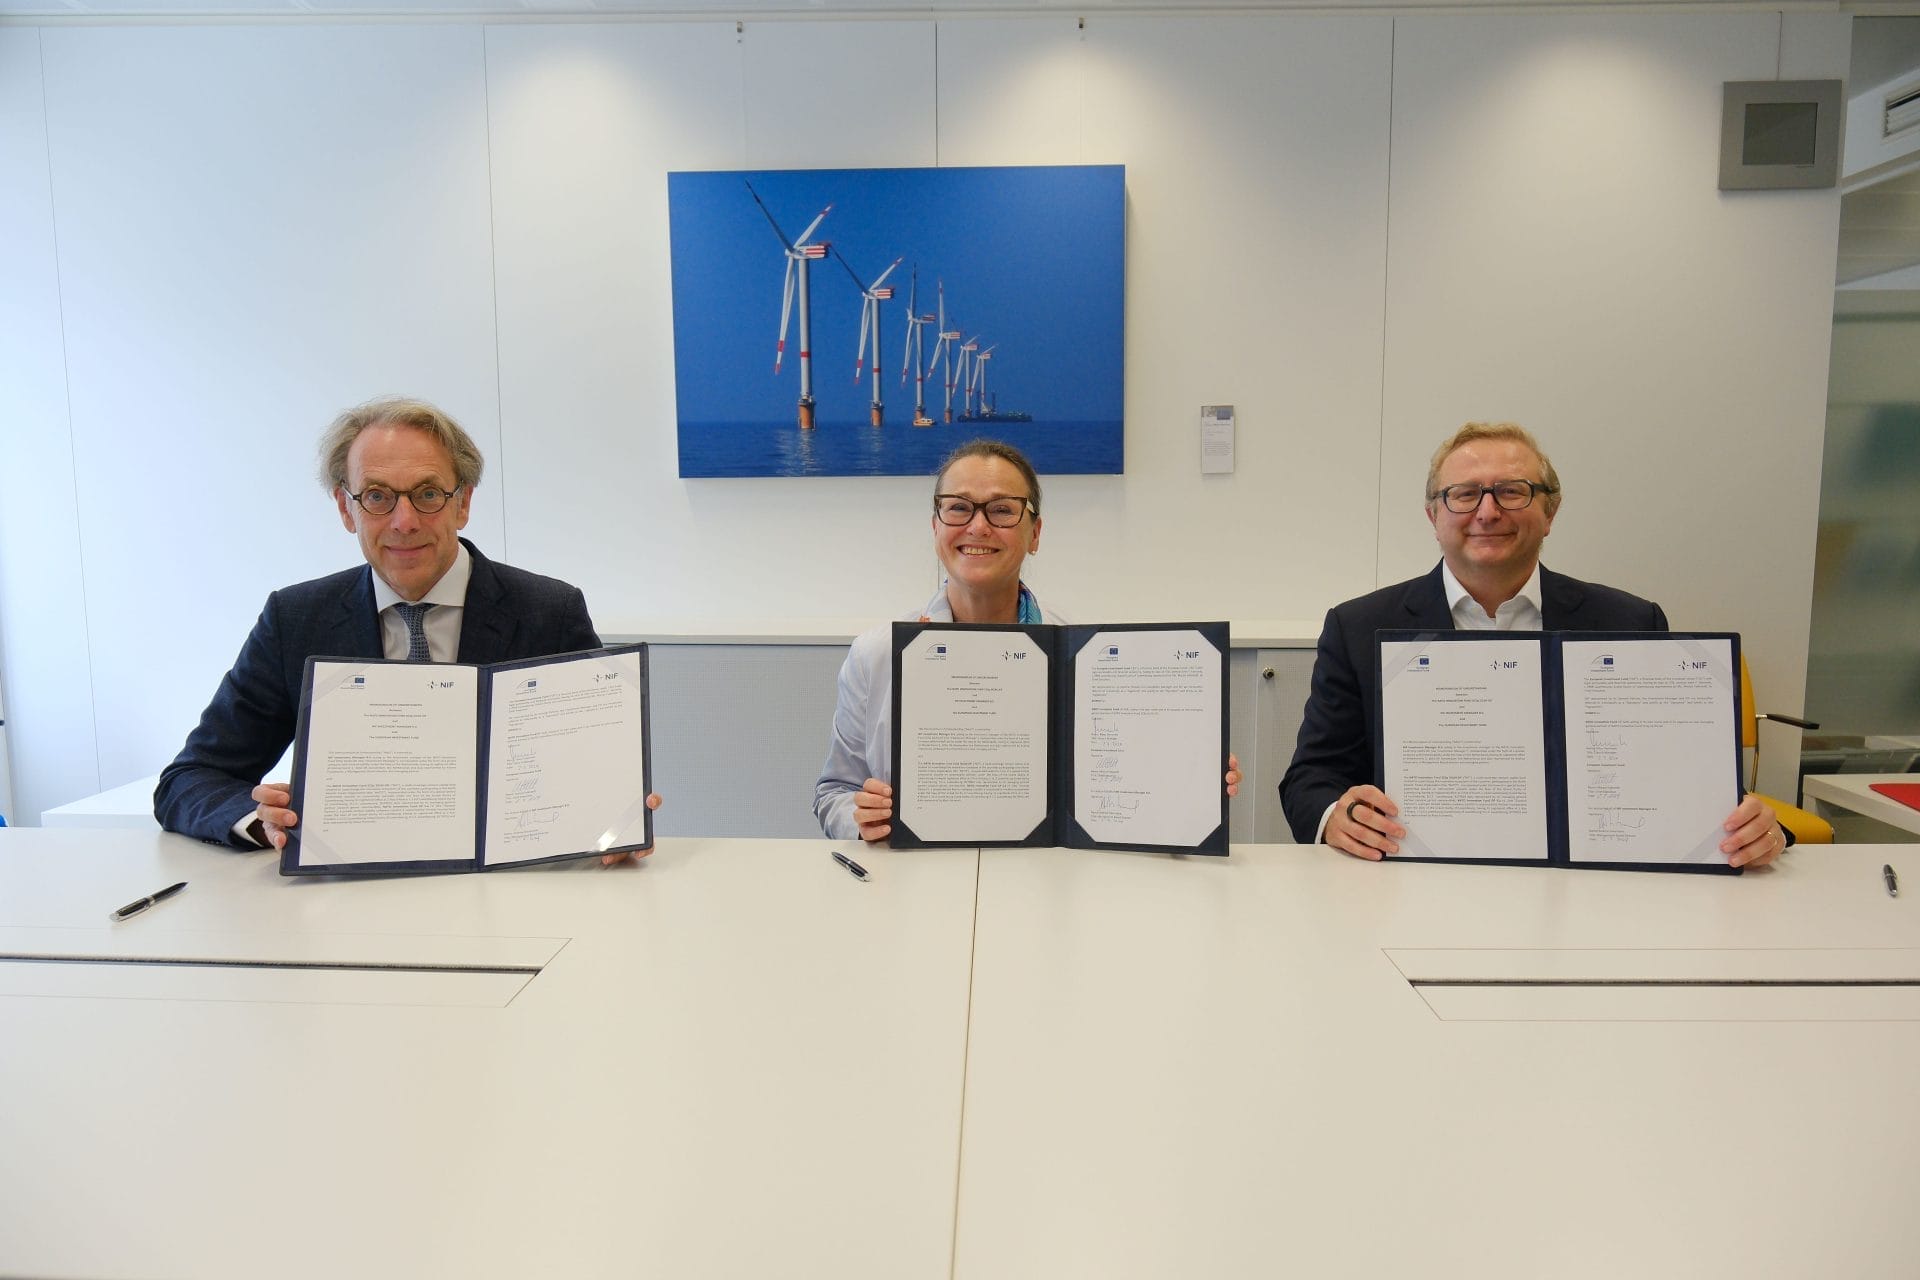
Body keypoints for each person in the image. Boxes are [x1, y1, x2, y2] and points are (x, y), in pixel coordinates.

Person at [154, 396, 659, 863]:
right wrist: (263, 821)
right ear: (346, 508)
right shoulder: (295, 619)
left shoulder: (549, 612)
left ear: (463, 503)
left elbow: (600, 776)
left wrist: (617, 820)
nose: (404, 521)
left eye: (427, 494)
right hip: (345, 901)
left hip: (506, 897)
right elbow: (189, 780)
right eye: (376, 496)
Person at [1279, 421, 1786, 868]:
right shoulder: (1358, 626)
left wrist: (1759, 829)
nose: (1488, 511)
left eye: (1512, 491)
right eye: (1464, 494)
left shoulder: (1629, 621)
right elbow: (1311, 778)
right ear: (1434, 516)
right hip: (1413, 881)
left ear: (1550, 511)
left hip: (1591, 891)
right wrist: (1337, 816)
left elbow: (1680, 778)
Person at [814, 439, 1238, 843]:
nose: (978, 526)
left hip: (1047, 878)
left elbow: (1126, 776)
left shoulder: (1085, 657)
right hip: (917, 879)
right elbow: (834, 793)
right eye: (958, 508)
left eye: (1002, 510)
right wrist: (860, 817)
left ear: (1035, 534)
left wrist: (1188, 780)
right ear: (935, 527)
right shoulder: (876, 655)